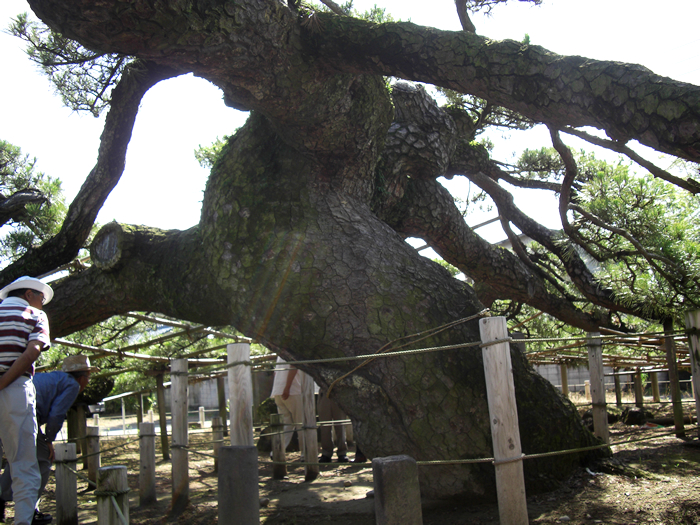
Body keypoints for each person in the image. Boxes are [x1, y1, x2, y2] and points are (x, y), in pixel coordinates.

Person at [0, 355, 97, 524]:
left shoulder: (56, 378)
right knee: (43, 459)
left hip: (10, 402)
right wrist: (49, 440)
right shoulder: (72, 385)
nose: (88, 382)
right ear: (81, 377)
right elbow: (56, 414)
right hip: (25, 410)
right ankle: (29, 510)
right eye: (88, 377)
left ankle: (5, 497)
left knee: (17, 458)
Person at [0, 276, 53, 525]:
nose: (42, 304)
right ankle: (23, 521)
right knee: (23, 464)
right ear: (29, 294)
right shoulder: (35, 315)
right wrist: (3, 382)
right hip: (15, 389)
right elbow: (33, 351)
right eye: (41, 298)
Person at [270, 356, 305, 457]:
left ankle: (277, 451)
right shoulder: (291, 350)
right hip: (292, 391)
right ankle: (305, 453)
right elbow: (294, 366)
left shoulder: (279, 354)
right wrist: (287, 388)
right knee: (301, 423)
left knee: (286, 424)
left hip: (278, 391)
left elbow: (275, 373)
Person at [317, 389, 348, 463]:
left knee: (340, 425)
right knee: (325, 427)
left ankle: (342, 452)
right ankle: (326, 453)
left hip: (339, 393)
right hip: (324, 393)